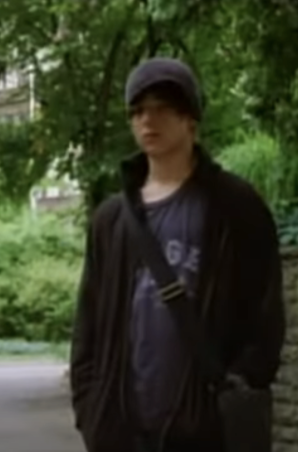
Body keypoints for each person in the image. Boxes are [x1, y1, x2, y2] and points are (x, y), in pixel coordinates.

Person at [70, 57, 284, 452]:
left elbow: (265, 316)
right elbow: (89, 324)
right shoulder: (111, 219)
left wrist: (239, 388)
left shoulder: (235, 206)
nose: (148, 120)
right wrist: (91, 410)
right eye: (138, 111)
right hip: (123, 431)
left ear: (190, 119)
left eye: (162, 108)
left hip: (206, 430)